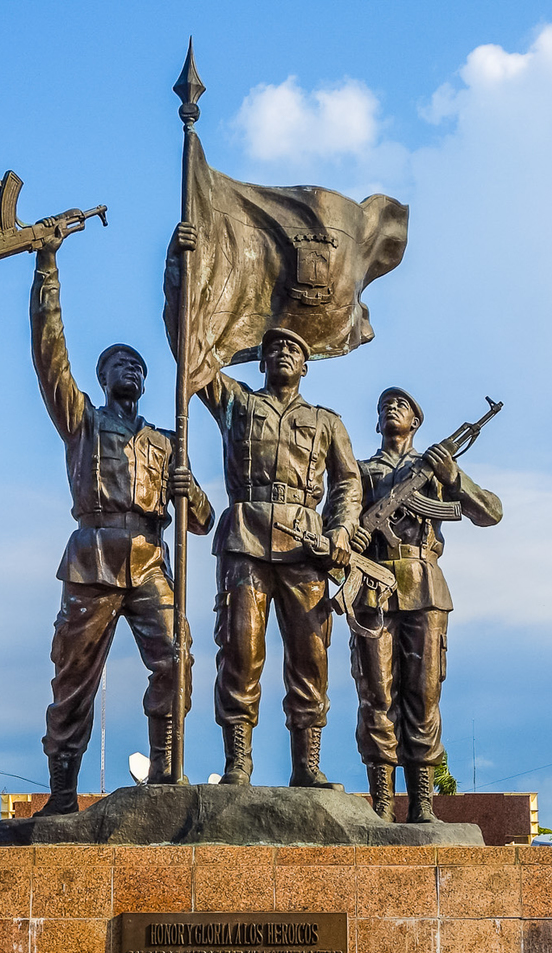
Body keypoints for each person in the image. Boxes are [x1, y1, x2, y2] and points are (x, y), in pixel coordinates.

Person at [30, 231, 212, 814]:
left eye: (137, 364)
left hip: (150, 557)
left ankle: (164, 767)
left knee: (175, 659)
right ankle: (62, 791)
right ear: (103, 377)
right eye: (118, 363)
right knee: (74, 675)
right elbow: (48, 353)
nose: (129, 368)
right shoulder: (81, 420)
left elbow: (203, 518)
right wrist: (47, 269)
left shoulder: (164, 440)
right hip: (94, 552)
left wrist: (188, 491)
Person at [176, 222, 360, 787]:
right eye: (274, 347)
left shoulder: (327, 422)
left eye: (293, 350)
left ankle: (307, 765)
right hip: (246, 539)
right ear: (260, 362)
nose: (283, 353)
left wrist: (341, 532)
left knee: (310, 658)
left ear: (305, 365)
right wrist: (180, 268)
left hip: (307, 547)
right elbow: (188, 351)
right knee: (241, 652)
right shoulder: (235, 402)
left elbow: (348, 485)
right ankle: (239, 763)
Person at [347, 387, 503, 822]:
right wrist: (353, 534)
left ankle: (421, 806)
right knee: (375, 695)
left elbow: (490, 512)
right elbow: (334, 526)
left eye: (402, 405)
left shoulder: (433, 469)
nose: (391, 409)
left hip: (425, 586)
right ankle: (380, 805)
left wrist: (453, 477)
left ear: (416, 421)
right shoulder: (360, 471)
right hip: (373, 586)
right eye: (384, 407)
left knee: (423, 694)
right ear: (377, 422)